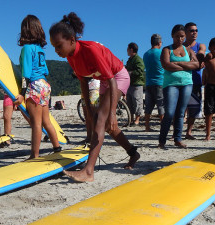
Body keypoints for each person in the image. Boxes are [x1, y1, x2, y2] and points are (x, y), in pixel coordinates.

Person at [49, 12, 140, 182]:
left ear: (71, 39)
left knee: (102, 119)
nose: (57, 51)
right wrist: (88, 108)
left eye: (59, 45)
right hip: (104, 81)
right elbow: (83, 81)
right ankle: (133, 153)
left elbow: (112, 80)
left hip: (117, 77)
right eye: (54, 47)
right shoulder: (70, 57)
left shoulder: (90, 50)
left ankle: (88, 171)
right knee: (106, 125)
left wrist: (112, 113)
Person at [14, 15, 61, 159]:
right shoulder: (40, 49)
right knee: (46, 121)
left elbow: (26, 75)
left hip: (33, 85)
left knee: (36, 124)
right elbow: (46, 70)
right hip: (44, 85)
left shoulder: (27, 49)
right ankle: (57, 148)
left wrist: (22, 93)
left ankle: (34, 156)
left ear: (25, 30)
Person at [158, 24, 199, 149]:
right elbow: (166, 65)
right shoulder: (167, 49)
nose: (180, 39)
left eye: (182, 36)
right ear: (172, 36)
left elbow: (196, 64)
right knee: (170, 113)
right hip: (171, 84)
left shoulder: (188, 50)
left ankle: (178, 139)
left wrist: (178, 63)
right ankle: (162, 140)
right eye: (177, 36)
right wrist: (187, 65)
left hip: (186, 83)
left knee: (181, 113)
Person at [183, 22, 206, 140]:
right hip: (182, 81)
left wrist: (190, 63)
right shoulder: (179, 47)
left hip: (196, 81)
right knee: (179, 108)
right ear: (185, 32)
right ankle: (176, 132)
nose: (194, 32)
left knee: (193, 108)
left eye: (196, 30)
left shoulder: (200, 46)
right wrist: (195, 63)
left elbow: (201, 56)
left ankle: (189, 132)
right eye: (192, 30)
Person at [143, 34, 164, 132]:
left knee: (149, 106)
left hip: (149, 82)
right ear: (159, 43)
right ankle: (163, 126)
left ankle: (147, 126)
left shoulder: (146, 54)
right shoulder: (161, 53)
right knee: (161, 105)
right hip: (160, 81)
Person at [125, 42, 145, 126]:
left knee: (137, 102)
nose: (126, 50)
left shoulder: (138, 59)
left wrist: (130, 72)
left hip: (137, 84)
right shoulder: (130, 60)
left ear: (131, 49)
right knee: (129, 102)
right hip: (130, 84)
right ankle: (131, 119)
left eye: (127, 49)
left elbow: (140, 70)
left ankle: (137, 120)